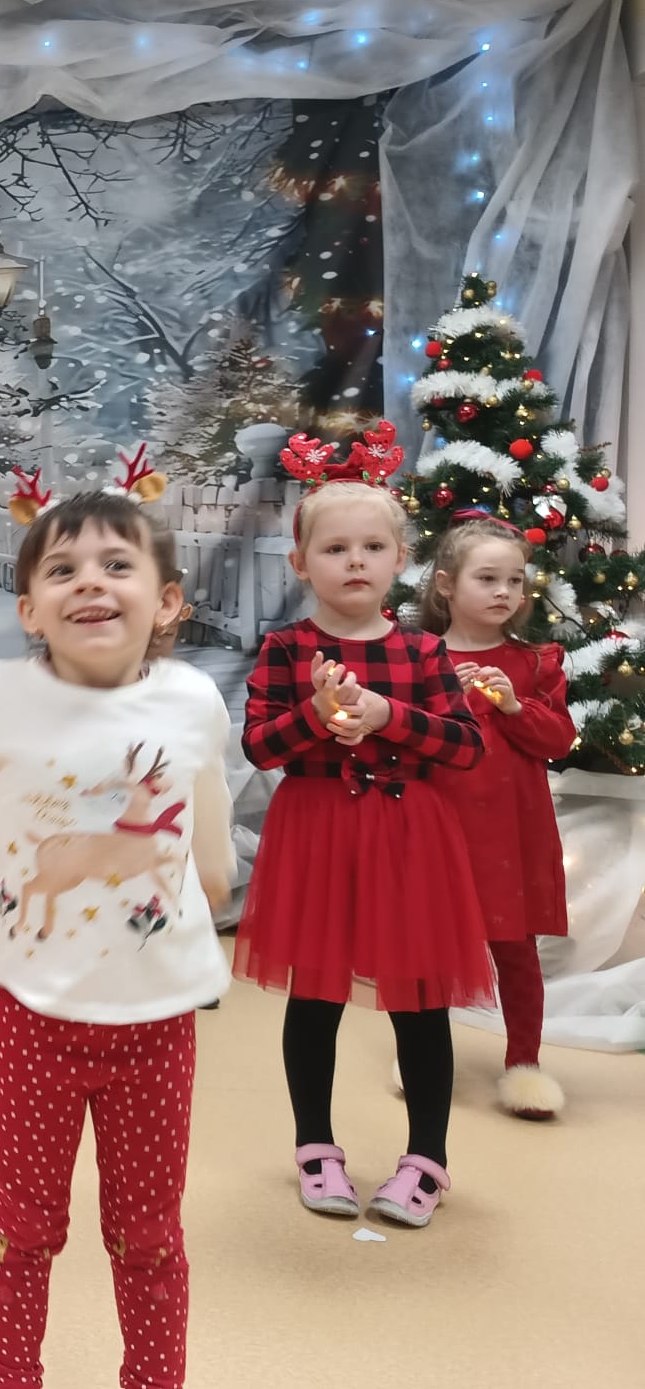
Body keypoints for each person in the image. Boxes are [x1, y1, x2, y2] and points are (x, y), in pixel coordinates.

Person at [0, 457, 233, 1389]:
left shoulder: (192, 700)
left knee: (149, 1235)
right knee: (23, 1228)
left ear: (167, 600)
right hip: (34, 1021)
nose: (90, 583)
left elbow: (209, 818)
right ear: (29, 609)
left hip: (156, 1026)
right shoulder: (0, 697)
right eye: (63, 570)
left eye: (117, 565)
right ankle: (11, 1376)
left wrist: (212, 891)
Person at [237, 424, 491, 1229]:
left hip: (408, 835)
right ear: (300, 563)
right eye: (335, 548)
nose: (355, 561)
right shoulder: (286, 649)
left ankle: (426, 1161)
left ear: (399, 559)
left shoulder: (423, 651)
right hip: (316, 836)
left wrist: (386, 716)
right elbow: (259, 746)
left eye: (373, 547)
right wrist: (317, 714)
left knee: (419, 1000)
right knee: (315, 997)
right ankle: (316, 1147)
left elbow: (467, 746)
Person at [418, 511, 575, 1118]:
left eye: (515, 581)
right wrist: (445, 704)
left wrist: (513, 707)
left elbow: (558, 739)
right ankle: (422, 1055)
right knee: (431, 944)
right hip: (440, 825)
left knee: (515, 947)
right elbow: (404, 738)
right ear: (446, 584)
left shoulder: (536, 662)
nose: (504, 592)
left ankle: (525, 1064)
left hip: (513, 830)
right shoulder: (419, 658)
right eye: (487, 578)